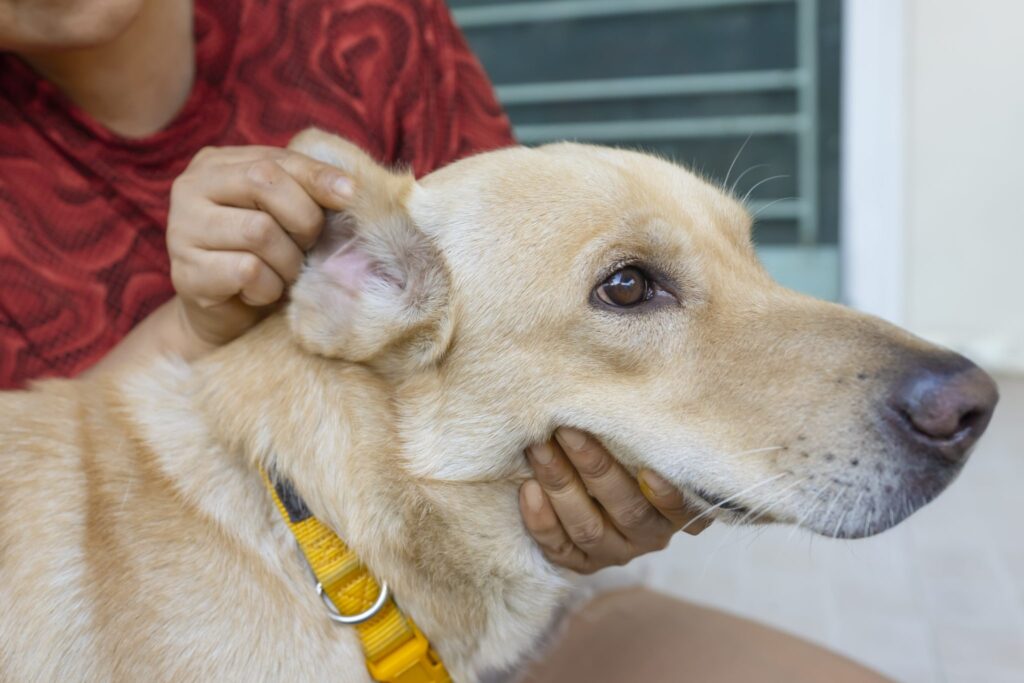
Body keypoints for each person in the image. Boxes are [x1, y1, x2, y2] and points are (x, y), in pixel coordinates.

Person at [0, 1, 885, 680]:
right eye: (630, 284)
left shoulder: (361, 24)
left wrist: (606, 509)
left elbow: (529, 276)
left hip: (499, 592)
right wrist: (190, 327)